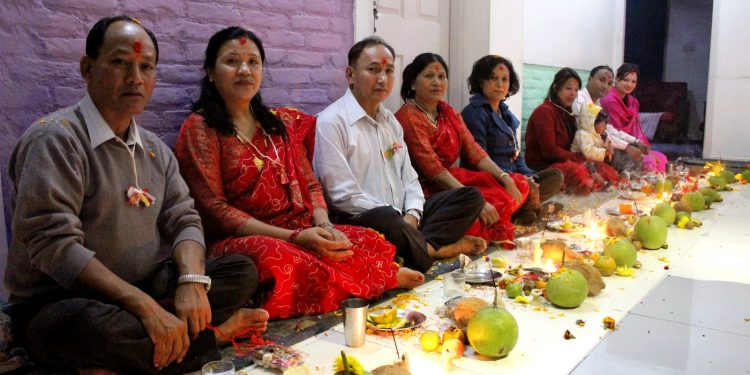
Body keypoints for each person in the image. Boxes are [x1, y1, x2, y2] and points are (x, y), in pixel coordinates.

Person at [6, 16, 268, 374]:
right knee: (78, 328)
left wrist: (191, 282)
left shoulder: (154, 150)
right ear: (88, 67)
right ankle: (213, 337)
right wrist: (146, 308)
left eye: (146, 67)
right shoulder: (55, 140)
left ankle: (136, 353)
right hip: (65, 300)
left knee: (241, 269)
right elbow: (55, 247)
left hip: (145, 283)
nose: (136, 78)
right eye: (120, 63)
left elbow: (185, 219)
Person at [175, 27, 424, 320]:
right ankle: (379, 278)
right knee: (280, 258)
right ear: (211, 72)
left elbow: (311, 184)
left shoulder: (276, 123)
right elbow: (215, 210)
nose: (244, 70)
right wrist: (294, 236)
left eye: (253, 62)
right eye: (232, 61)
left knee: (367, 238)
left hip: (300, 224)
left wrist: (322, 221)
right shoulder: (201, 128)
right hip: (250, 236)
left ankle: (374, 276)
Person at [314, 37, 486, 273]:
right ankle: (432, 250)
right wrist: (398, 217)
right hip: (366, 219)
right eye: (373, 70)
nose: (383, 79)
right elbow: (341, 196)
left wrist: (413, 214)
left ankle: (417, 246)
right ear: (351, 75)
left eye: (389, 71)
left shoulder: (391, 122)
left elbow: (410, 178)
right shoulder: (332, 122)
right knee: (385, 217)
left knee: (470, 197)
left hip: (403, 219)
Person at [394, 53, 528, 245]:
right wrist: (477, 202)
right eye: (429, 76)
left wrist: (504, 178)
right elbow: (433, 169)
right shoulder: (408, 116)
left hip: (455, 179)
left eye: (441, 77)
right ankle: (471, 230)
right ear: (413, 83)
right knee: (477, 209)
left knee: (518, 183)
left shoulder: (447, 111)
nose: (437, 82)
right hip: (429, 189)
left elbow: (473, 150)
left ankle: (488, 219)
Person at [460, 55, 563, 223]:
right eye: (493, 78)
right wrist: (514, 180)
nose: (500, 84)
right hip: (492, 181)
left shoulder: (505, 113)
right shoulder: (474, 113)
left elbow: (516, 154)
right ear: (481, 81)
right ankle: (531, 209)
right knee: (526, 191)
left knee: (556, 175)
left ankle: (525, 208)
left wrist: (529, 177)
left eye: (504, 79)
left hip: (514, 178)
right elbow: (477, 159)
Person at [526, 67, 619, 194]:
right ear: (556, 88)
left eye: (576, 90)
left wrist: (599, 149)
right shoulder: (545, 111)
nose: (573, 93)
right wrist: (579, 158)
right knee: (580, 174)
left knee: (599, 168)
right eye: (568, 88)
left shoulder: (567, 112)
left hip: (565, 161)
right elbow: (549, 151)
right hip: (545, 167)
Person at [573, 65, 643, 174]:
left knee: (635, 152)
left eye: (609, 83)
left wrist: (634, 141)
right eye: (602, 80)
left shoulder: (597, 103)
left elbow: (608, 128)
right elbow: (598, 132)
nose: (605, 86)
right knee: (625, 156)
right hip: (584, 148)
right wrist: (626, 146)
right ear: (590, 79)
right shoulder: (580, 100)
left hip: (600, 144)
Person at [599, 63, 668, 173]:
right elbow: (614, 132)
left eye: (633, 81)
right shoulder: (609, 101)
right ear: (616, 80)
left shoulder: (633, 101)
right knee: (650, 163)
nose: (629, 84)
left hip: (634, 144)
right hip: (617, 146)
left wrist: (642, 146)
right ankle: (639, 187)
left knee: (662, 158)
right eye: (625, 80)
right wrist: (635, 147)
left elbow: (637, 128)